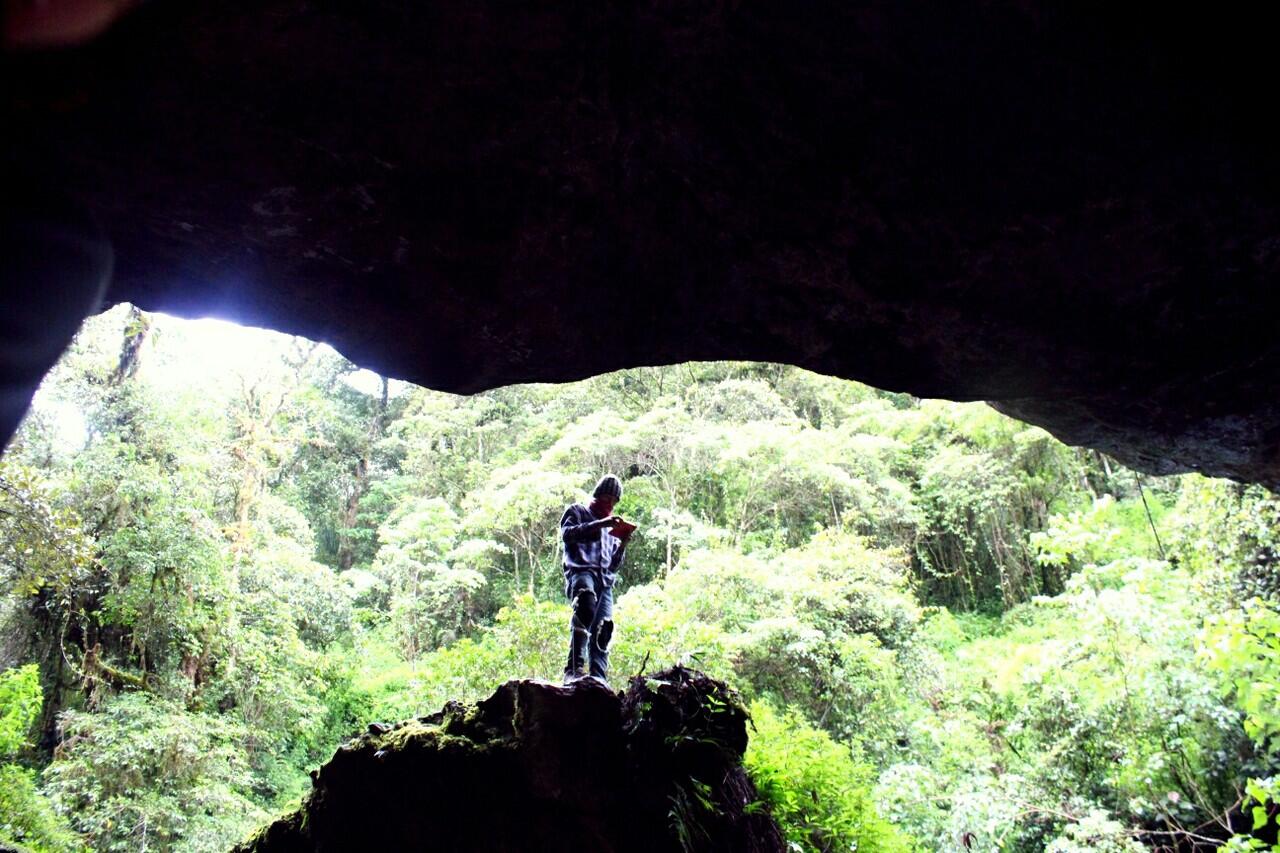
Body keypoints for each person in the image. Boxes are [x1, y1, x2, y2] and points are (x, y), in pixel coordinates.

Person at [560, 474, 634, 684]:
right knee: (586, 604)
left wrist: (622, 544)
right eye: (606, 497)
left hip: (605, 582)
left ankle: (598, 679)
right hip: (582, 572)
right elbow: (567, 534)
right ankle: (573, 669)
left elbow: (614, 564)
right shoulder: (578, 511)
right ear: (598, 494)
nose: (609, 503)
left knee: (604, 629)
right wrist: (600, 524)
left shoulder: (612, 526)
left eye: (613, 500)